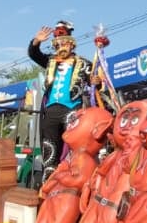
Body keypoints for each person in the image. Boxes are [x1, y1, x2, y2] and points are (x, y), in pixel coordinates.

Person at [28, 21, 101, 178]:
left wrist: (97, 82)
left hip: (72, 111)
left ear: (71, 45)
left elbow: (95, 86)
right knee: (50, 147)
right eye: (58, 44)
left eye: (65, 43)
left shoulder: (84, 64)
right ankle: (49, 181)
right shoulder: (50, 61)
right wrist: (37, 41)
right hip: (51, 110)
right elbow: (34, 54)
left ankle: (72, 178)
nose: (61, 46)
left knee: (74, 145)